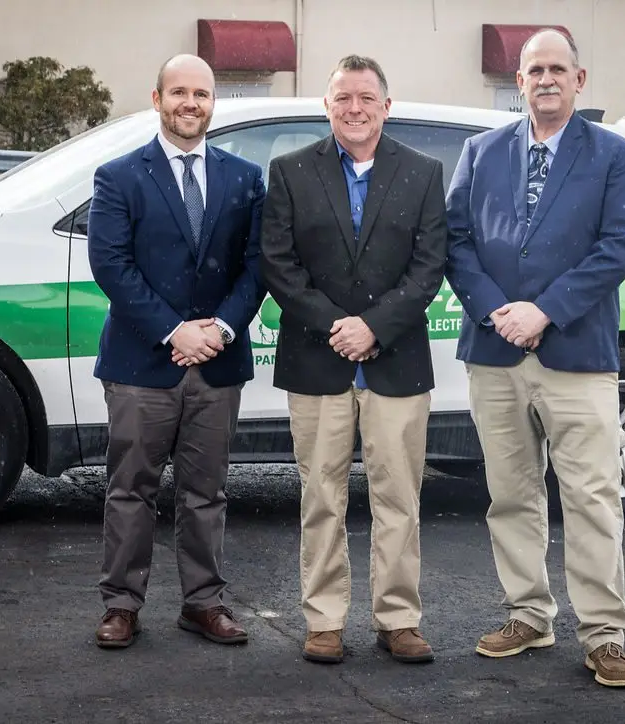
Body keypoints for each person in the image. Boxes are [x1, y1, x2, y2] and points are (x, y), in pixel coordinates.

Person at [444, 29, 625, 687]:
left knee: (591, 497)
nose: (547, 79)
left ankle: (604, 634)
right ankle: (528, 616)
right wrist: (497, 308)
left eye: (559, 69)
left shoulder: (613, 154)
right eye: (536, 70)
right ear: (519, 80)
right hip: (494, 351)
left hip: (577, 354)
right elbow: (456, 240)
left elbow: (617, 247)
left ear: (579, 81)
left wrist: (545, 311)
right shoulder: (481, 151)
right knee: (511, 494)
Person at [260, 54, 448, 665]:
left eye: (366, 98)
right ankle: (324, 620)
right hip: (318, 361)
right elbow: (279, 266)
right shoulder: (289, 172)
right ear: (327, 105)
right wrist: (338, 327)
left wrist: (374, 328)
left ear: (386, 106)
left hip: (395, 364)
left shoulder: (423, 173)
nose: (355, 108)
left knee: (399, 499)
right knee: (321, 497)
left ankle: (398, 619)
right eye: (343, 98)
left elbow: (428, 268)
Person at [87, 54, 267, 649]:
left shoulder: (244, 177)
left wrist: (221, 329)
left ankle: (204, 603)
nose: (191, 104)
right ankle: (121, 606)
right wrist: (175, 331)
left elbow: (257, 266)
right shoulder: (119, 176)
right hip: (142, 363)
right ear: (157, 97)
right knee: (130, 488)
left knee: (206, 490)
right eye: (180, 93)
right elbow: (111, 265)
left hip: (217, 363)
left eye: (202, 94)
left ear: (215, 102)